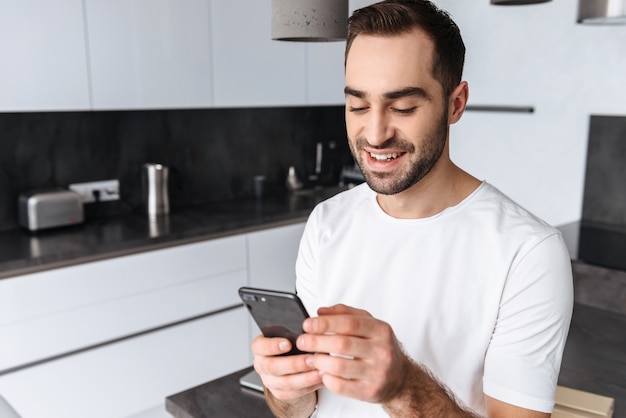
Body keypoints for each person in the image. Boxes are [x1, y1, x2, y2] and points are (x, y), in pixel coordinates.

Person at [252, 0, 573, 416]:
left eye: (403, 106)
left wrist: (402, 387)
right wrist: (286, 391)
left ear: (455, 104)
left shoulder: (528, 253)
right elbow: (302, 409)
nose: (375, 132)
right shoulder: (327, 222)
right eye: (358, 105)